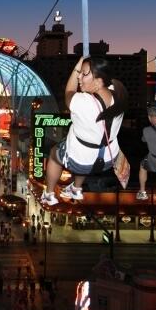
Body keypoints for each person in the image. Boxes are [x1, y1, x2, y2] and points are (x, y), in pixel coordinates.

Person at [42, 56, 128, 205]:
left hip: (80, 160)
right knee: (83, 153)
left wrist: (76, 68)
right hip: (109, 158)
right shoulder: (119, 94)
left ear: (99, 81)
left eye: (84, 74)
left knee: (54, 154)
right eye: (80, 73)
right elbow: (109, 83)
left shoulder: (83, 102)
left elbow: (69, 91)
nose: (79, 77)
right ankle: (76, 189)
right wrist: (87, 70)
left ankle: (49, 194)